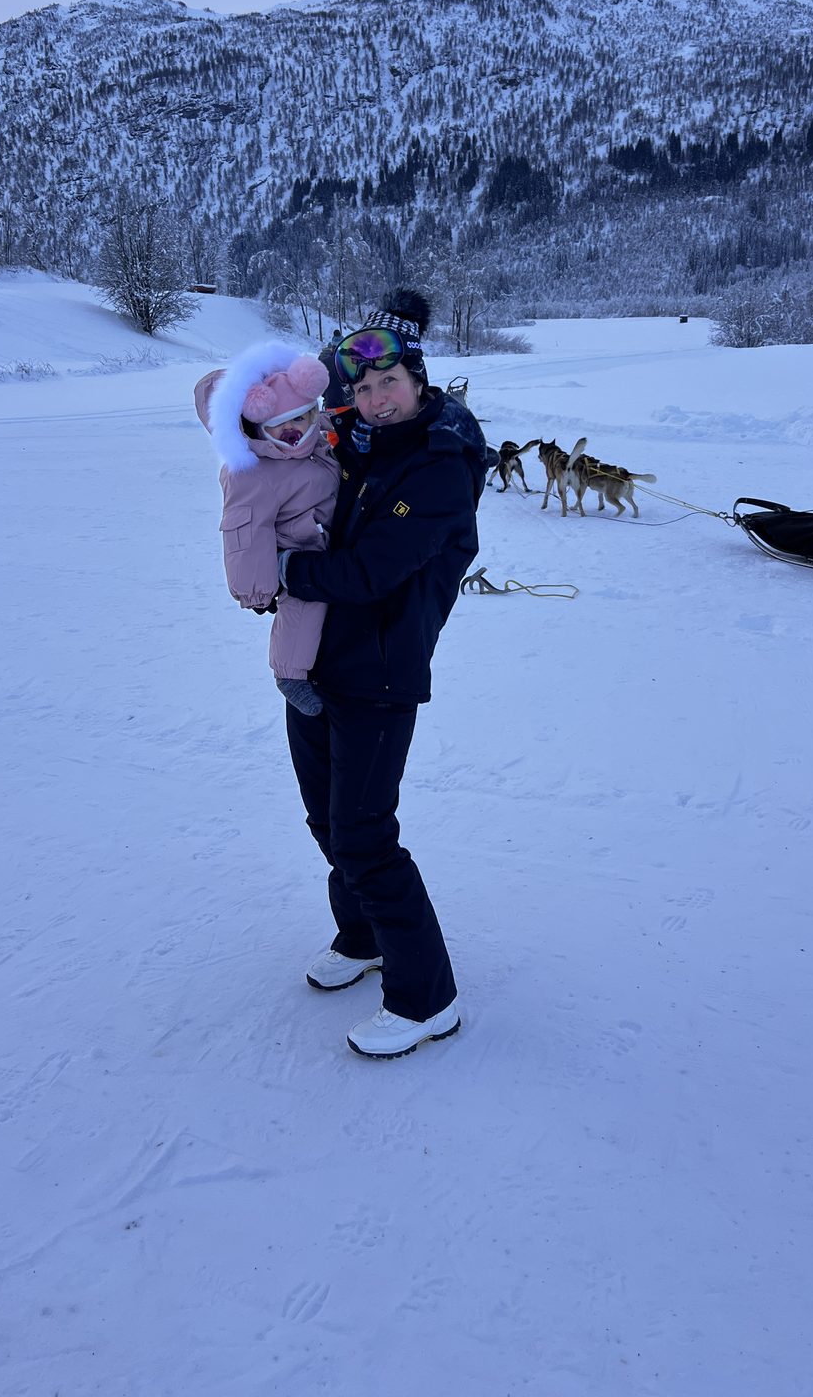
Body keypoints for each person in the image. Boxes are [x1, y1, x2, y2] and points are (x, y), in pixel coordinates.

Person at [277, 290, 488, 1059]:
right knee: (328, 823)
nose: (373, 398)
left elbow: (369, 572)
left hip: (381, 674)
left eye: (386, 383)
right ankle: (362, 935)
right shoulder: (360, 446)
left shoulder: (439, 463)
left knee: (365, 835)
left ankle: (427, 999)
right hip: (316, 665)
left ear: (419, 380)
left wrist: (288, 571)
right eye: (361, 388)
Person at [194, 345, 340, 715]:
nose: (292, 430)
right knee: (305, 603)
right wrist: (257, 588)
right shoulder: (254, 472)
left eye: (301, 419)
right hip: (295, 549)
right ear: (259, 424)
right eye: (279, 423)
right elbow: (244, 530)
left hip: (326, 539)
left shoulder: (317, 445)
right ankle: (289, 673)